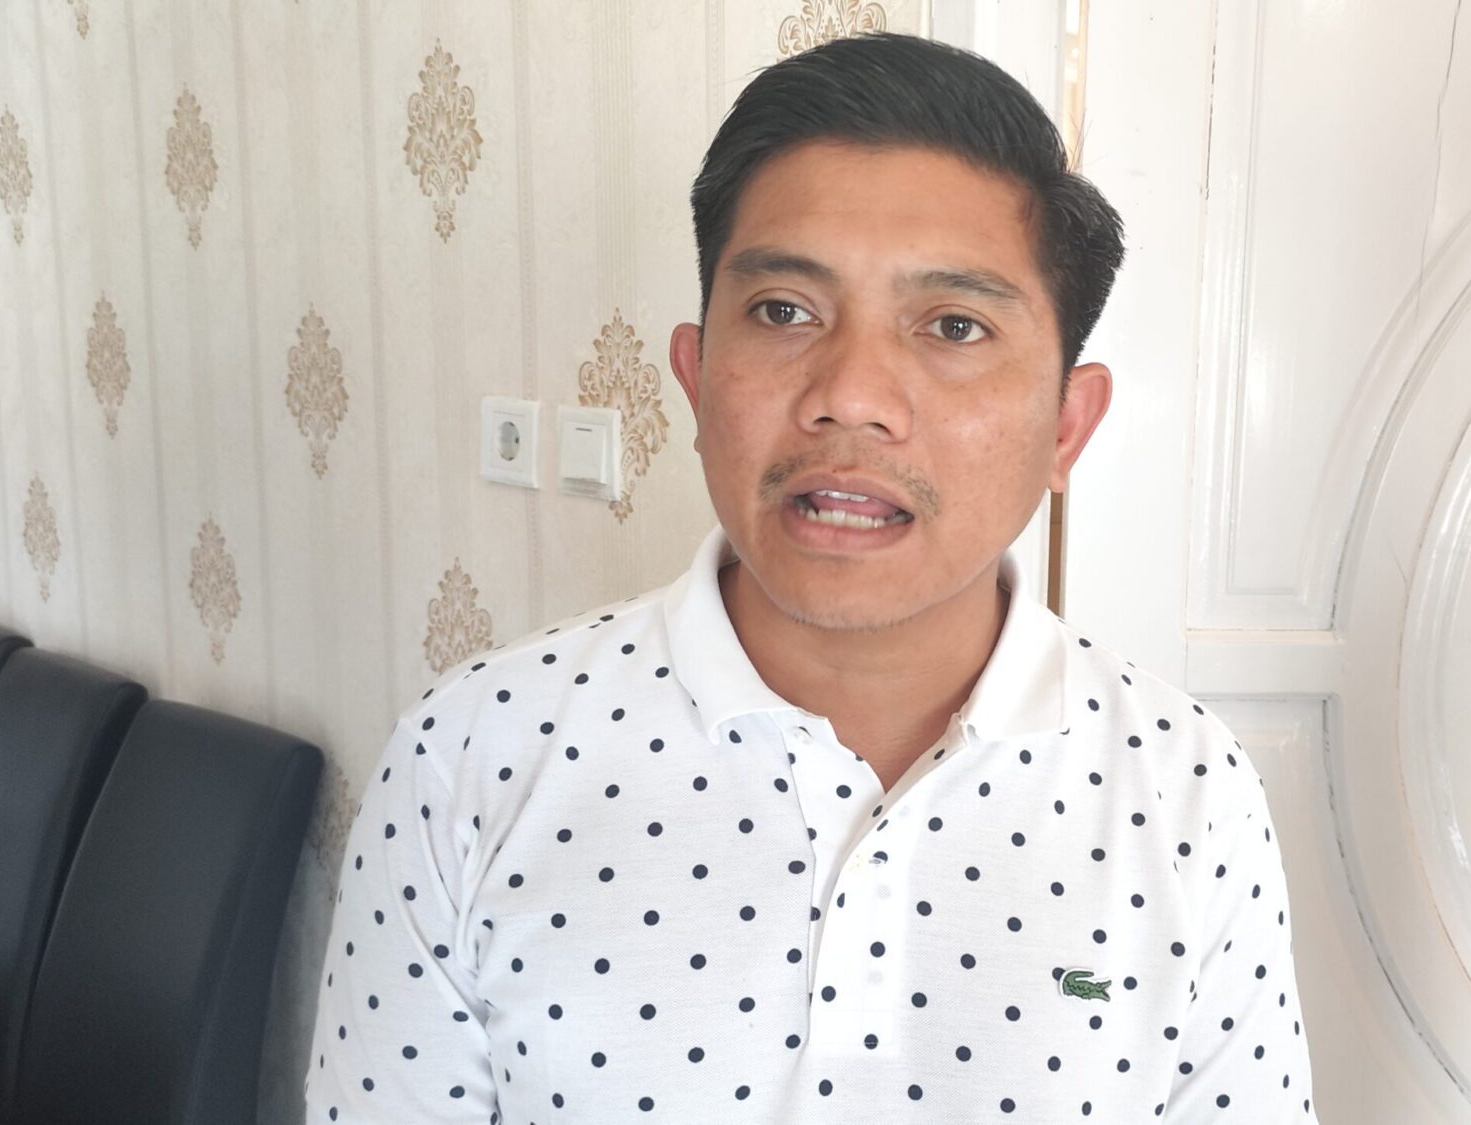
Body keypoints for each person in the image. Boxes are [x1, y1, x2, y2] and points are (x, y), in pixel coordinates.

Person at [304, 31, 1315, 1123]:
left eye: (954, 326)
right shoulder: (473, 757)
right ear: (695, 380)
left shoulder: (1188, 794)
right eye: (785, 310)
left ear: (1066, 426)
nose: (850, 396)